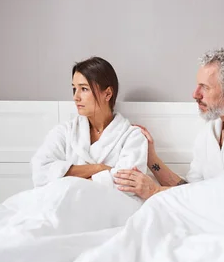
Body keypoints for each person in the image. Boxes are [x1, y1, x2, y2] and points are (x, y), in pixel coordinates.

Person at [113, 48, 224, 199]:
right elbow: (189, 189)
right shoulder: (209, 133)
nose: (195, 94)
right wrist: (153, 160)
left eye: (205, 87)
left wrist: (154, 191)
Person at [31, 57, 147, 189]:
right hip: (65, 202)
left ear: (108, 94)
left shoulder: (132, 137)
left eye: (84, 89)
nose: (76, 97)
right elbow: (40, 171)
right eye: (74, 88)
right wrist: (100, 168)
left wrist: (65, 177)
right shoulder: (64, 131)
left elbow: (129, 185)